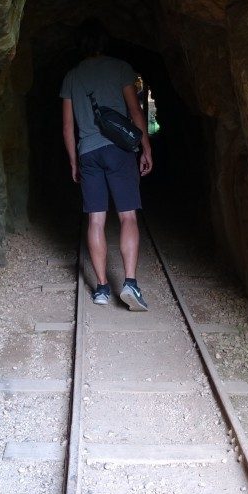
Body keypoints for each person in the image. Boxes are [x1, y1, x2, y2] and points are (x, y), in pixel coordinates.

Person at [61, 21, 153, 310]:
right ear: (105, 43)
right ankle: (130, 283)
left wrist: (74, 162)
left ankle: (101, 287)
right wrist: (145, 147)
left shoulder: (71, 77)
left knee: (96, 220)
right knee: (127, 217)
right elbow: (134, 111)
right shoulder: (120, 68)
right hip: (119, 151)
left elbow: (67, 127)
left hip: (88, 153)